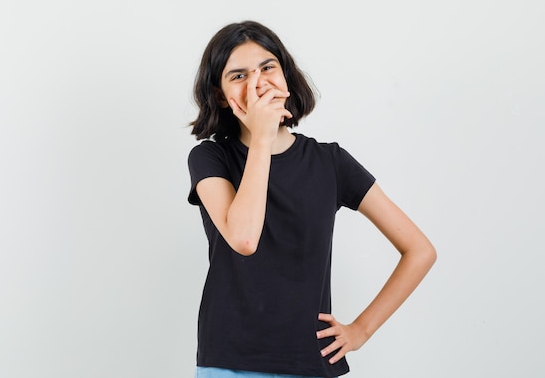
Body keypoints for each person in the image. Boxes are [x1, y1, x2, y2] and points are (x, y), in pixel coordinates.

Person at [187, 20, 436, 378]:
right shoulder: (210, 158)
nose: (258, 83)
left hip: (311, 364)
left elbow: (420, 250)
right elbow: (243, 239)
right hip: (229, 362)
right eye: (238, 76)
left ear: (286, 77)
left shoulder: (330, 162)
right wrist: (261, 139)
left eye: (268, 67)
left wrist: (361, 330)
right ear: (220, 96)